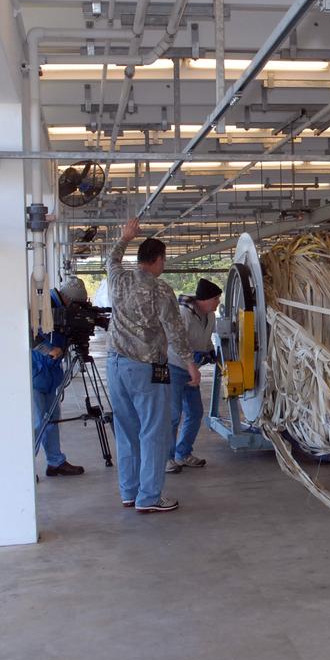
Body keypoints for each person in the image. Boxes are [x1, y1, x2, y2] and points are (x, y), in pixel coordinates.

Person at [106, 218, 200, 513]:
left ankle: (129, 492)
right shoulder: (160, 290)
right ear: (158, 260)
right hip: (147, 368)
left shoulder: (118, 279)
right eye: (164, 260)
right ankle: (149, 497)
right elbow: (175, 331)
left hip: (115, 365)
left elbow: (111, 259)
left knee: (126, 430)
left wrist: (125, 237)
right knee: (153, 432)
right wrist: (190, 364)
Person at [29, 276, 89, 477]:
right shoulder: (41, 305)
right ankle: (25, 467)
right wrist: (47, 349)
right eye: (75, 304)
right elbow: (27, 333)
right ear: (67, 298)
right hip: (36, 372)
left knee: (52, 419)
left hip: (51, 373)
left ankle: (55, 462)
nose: (76, 308)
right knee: (38, 422)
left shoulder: (65, 311)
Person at [166, 278, 221, 472]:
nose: (218, 303)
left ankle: (183, 453)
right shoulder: (183, 314)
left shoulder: (210, 316)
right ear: (205, 300)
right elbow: (174, 342)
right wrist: (191, 357)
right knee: (173, 415)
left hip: (192, 370)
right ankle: (167, 458)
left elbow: (206, 340)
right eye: (216, 299)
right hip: (174, 367)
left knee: (195, 413)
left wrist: (211, 351)